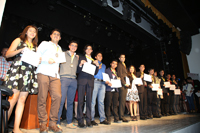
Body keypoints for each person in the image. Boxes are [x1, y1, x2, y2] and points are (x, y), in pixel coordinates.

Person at [3, 25, 39, 133]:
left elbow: (35, 61)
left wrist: (39, 60)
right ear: (26, 32)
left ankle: (16, 128)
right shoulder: (19, 40)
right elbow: (8, 54)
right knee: (13, 99)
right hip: (18, 71)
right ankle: (3, 127)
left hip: (29, 73)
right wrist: (21, 50)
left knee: (22, 100)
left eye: (34, 31)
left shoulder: (35, 46)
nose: (32, 33)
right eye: (30, 31)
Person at [36, 29, 63, 133]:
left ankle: (52, 123)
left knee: (58, 96)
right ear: (51, 35)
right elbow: (37, 55)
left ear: (60, 38)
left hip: (55, 75)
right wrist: (46, 60)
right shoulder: (44, 43)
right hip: (43, 71)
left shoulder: (60, 48)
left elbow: (59, 62)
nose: (56, 36)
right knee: (42, 97)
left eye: (58, 35)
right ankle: (43, 124)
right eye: (54, 34)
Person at [57, 40, 79, 129]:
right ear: (69, 46)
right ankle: (57, 121)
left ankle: (69, 122)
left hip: (73, 80)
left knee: (70, 102)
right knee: (61, 101)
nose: (73, 47)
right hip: (64, 79)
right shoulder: (62, 54)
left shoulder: (77, 57)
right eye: (72, 45)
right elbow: (57, 65)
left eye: (75, 46)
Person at [77, 44, 99, 128]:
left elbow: (95, 73)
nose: (89, 50)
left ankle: (88, 120)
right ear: (85, 50)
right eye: (87, 49)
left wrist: (97, 66)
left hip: (90, 81)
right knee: (80, 100)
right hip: (82, 80)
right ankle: (80, 120)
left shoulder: (94, 60)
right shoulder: (81, 58)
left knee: (89, 101)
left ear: (92, 51)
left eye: (90, 49)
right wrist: (80, 64)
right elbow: (78, 70)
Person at [91, 52, 109, 126]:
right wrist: (97, 67)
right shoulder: (93, 63)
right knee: (93, 101)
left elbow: (105, 75)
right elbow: (92, 72)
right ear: (95, 57)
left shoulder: (104, 65)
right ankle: (91, 119)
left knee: (101, 102)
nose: (100, 56)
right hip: (95, 82)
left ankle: (102, 119)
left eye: (101, 56)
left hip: (103, 83)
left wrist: (107, 80)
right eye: (98, 55)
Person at [117, 54, 129, 122]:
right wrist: (124, 83)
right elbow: (120, 75)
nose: (123, 58)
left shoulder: (124, 65)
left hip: (125, 84)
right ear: (119, 58)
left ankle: (122, 115)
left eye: (124, 57)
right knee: (122, 101)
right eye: (121, 57)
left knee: (123, 101)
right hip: (122, 85)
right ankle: (121, 116)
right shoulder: (119, 65)